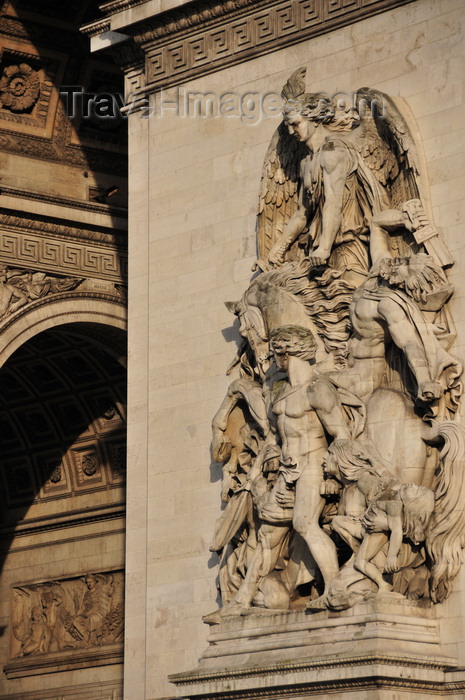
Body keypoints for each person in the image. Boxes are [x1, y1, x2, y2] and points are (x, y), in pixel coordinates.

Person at [267, 325, 363, 605]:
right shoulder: (282, 391)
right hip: (287, 470)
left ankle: (335, 587)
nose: (274, 358)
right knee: (267, 526)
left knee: (304, 523)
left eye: (277, 351)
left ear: (287, 352)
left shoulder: (317, 387)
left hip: (313, 462)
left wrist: (333, 475)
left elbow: (340, 433)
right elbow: (277, 434)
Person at [267, 97, 390, 285]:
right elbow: (302, 213)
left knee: (357, 304)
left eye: (296, 124)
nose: (292, 132)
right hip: (316, 253)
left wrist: (325, 248)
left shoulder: (333, 152)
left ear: (314, 119)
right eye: (289, 126)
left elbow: (334, 202)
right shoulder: (306, 163)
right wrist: (279, 248)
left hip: (346, 245)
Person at [341, 253, 461, 403]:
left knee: (317, 389)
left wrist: (424, 381)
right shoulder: (378, 274)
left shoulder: (388, 305)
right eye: (408, 259)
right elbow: (377, 232)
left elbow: (409, 343)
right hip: (345, 363)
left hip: (363, 375)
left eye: (407, 264)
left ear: (406, 281)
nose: (400, 260)